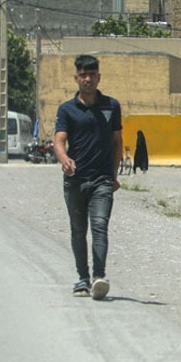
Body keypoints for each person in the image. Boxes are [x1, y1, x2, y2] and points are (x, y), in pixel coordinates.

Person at [54, 55, 123, 300]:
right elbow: (59, 140)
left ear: (98, 77)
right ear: (76, 78)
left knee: (100, 226)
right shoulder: (67, 109)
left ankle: (99, 277)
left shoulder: (111, 106)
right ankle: (82, 279)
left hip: (102, 180)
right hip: (75, 180)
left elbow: (117, 142)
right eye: (83, 75)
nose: (88, 79)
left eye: (92, 75)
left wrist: (114, 175)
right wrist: (64, 158)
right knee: (78, 230)